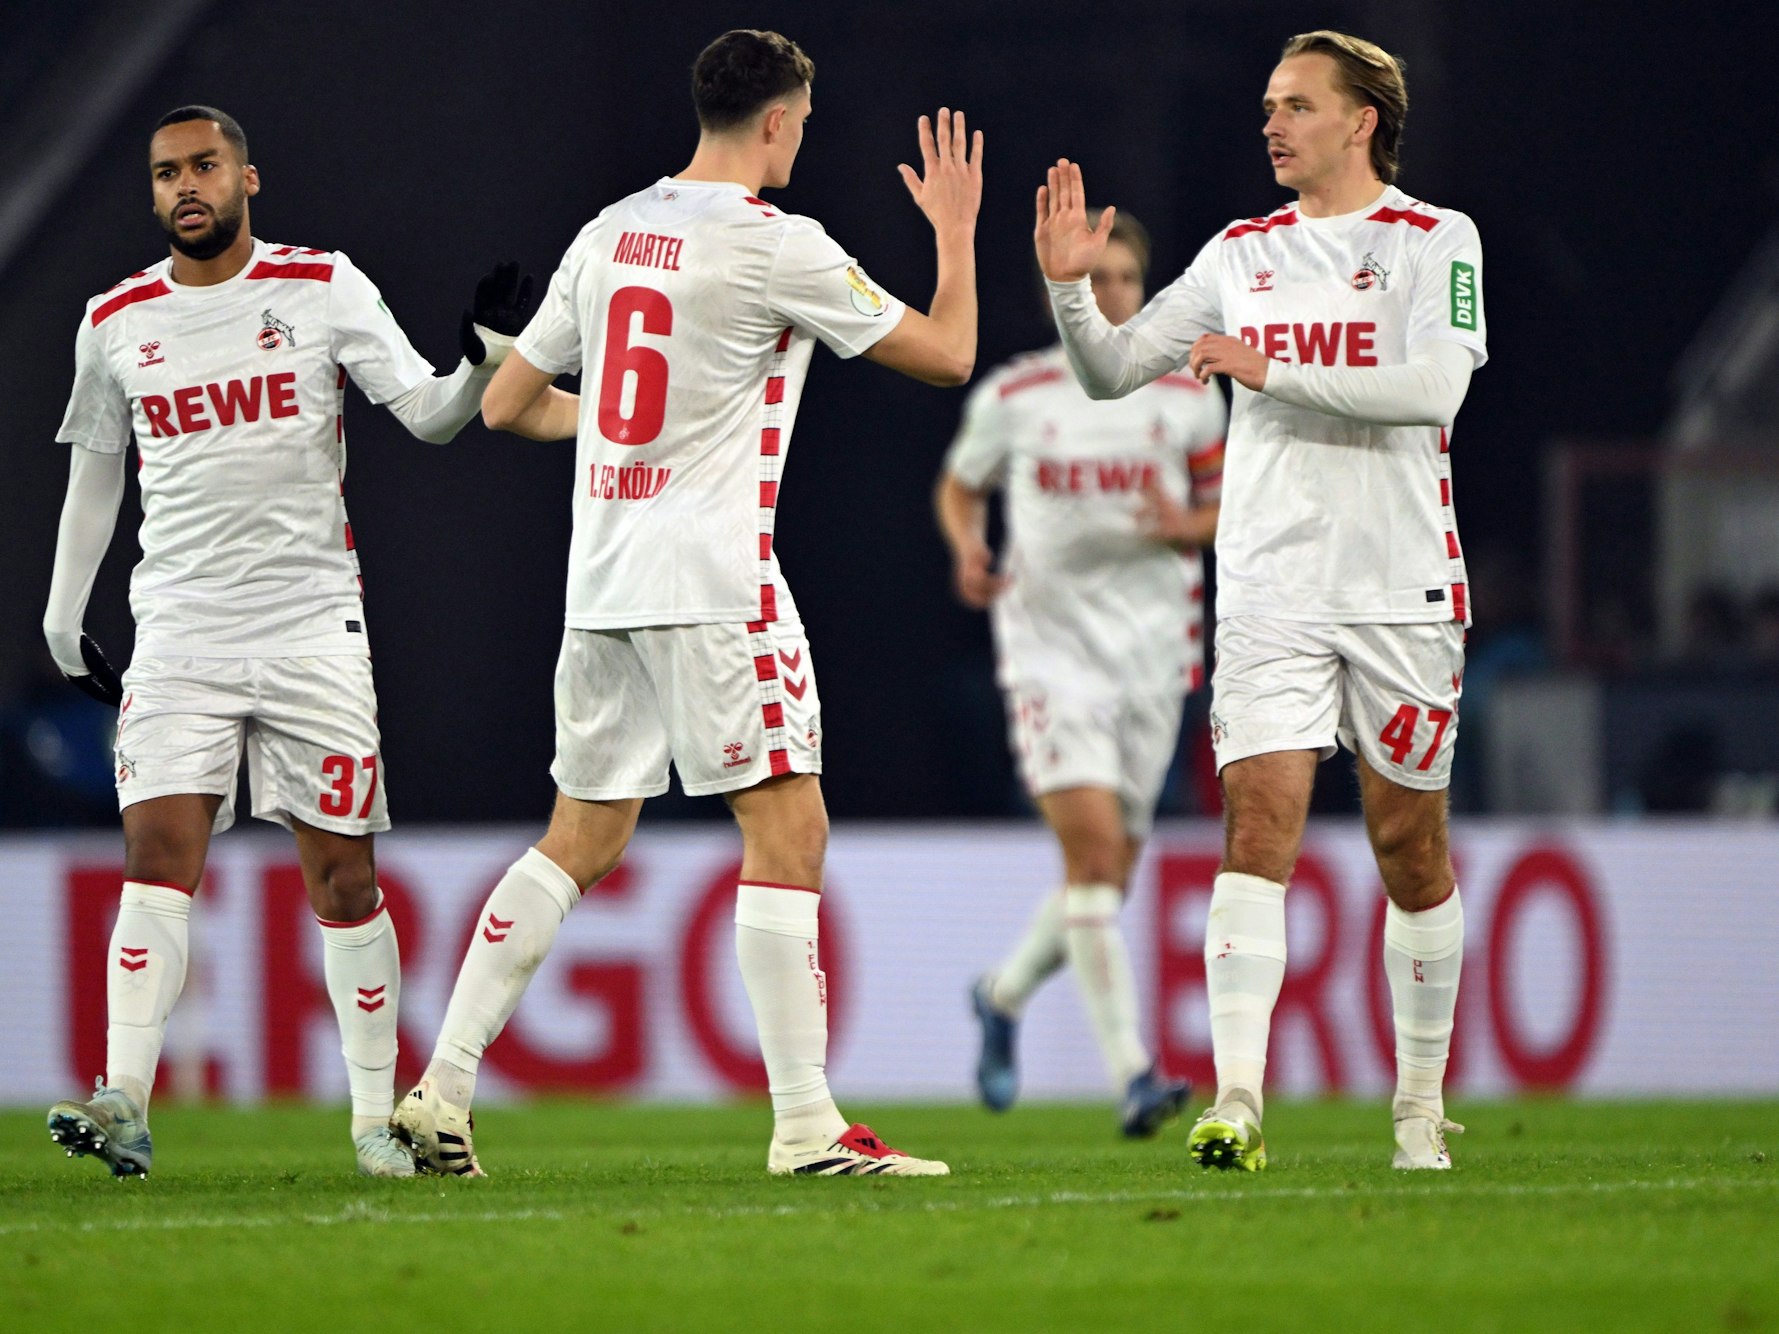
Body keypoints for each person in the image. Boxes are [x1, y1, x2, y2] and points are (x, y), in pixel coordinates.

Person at [391, 29, 980, 1178]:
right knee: (787, 826)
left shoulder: (611, 229)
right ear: (774, 121)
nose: (802, 138)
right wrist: (953, 233)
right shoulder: (779, 244)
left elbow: (512, 405)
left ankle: (443, 1085)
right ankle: (807, 1126)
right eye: (802, 121)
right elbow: (949, 354)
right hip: (716, 579)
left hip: (603, 579)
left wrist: (617, 432)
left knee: (582, 833)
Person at [43, 105, 533, 1178]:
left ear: (248, 178)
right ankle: (125, 1091)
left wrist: (486, 360)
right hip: (178, 627)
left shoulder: (322, 287)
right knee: (156, 855)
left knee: (341, 878)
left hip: (313, 625)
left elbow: (430, 414)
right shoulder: (116, 317)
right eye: (168, 172)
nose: (187, 186)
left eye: (205, 166)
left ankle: (370, 1120)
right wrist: (60, 608)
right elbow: (95, 469)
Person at [1034, 30, 1486, 1171]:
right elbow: (1114, 369)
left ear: (1360, 120)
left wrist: (1268, 368)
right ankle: (1237, 1096)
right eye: (1269, 105)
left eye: (1295, 105)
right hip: (1271, 588)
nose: (1271, 123)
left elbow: (1436, 387)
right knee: (1257, 829)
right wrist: (1067, 293)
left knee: (1409, 847)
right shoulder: (1240, 253)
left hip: (1400, 588)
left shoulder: (1437, 241)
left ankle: (1419, 1109)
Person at [935, 212, 1224, 1136]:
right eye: (1094, 280)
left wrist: (1180, 527)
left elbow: (1226, 508)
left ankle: (1001, 994)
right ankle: (1134, 1075)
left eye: (1128, 280)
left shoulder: (1186, 397)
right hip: (1049, 657)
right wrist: (967, 544)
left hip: (1153, 660)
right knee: (1094, 860)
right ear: (1063, 290)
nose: (1112, 296)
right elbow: (959, 483)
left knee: (1103, 881)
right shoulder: (1015, 394)